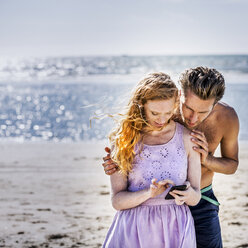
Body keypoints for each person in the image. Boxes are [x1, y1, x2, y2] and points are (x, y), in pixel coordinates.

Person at [102, 67, 239, 248]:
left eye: (203, 112)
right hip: (147, 205)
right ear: (179, 95)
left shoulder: (227, 118)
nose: (192, 118)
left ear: (215, 105)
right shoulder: (163, 109)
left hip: (200, 197)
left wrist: (206, 159)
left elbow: (232, 165)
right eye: (188, 108)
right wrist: (115, 162)